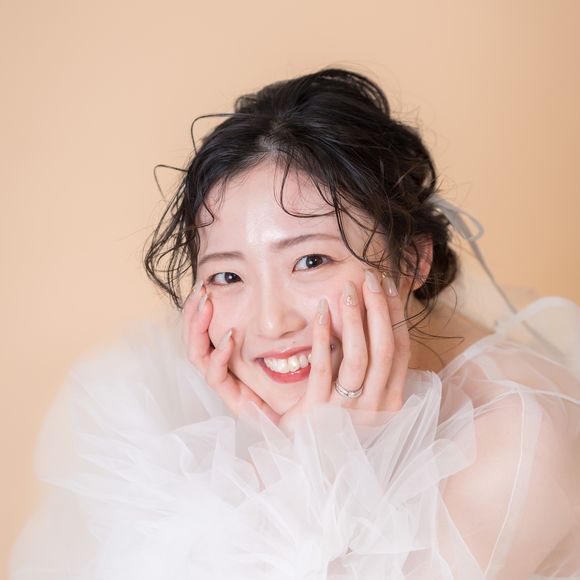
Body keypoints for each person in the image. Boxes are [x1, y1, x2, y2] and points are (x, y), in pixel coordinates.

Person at [9, 68, 580, 579]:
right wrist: (296, 442)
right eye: (228, 275)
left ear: (411, 261)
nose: (270, 322)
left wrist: (324, 456)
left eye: (310, 261)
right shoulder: (180, 397)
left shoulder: (519, 441)